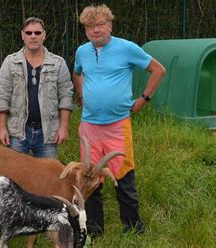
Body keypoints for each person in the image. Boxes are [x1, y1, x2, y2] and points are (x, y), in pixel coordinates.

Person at [72, 4, 166, 237]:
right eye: (90, 26)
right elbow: (76, 73)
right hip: (89, 126)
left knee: (124, 174)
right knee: (90, 176)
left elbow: (158, 70)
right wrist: (83, 95)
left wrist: (143, 99)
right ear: (85, 30)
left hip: (117, 126)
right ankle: (94, 229)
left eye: (101, 25)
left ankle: (133, 227)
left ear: (110, 25)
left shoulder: (127, 48)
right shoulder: (82, 51)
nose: (96, 30)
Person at [0, 17, 74, 247]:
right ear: (22, 35)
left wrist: (64, 126)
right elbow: (2, 96)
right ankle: (8, 230)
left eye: (37, 32)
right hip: (17, 131)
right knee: (11, 185)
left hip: (47, 133)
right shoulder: (11, 62)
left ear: (44, 35)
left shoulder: (57, 63)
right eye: (28, 33)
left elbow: (66, 96)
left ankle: (53, 232)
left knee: (51, 188)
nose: (33, 36)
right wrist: (1, 127)